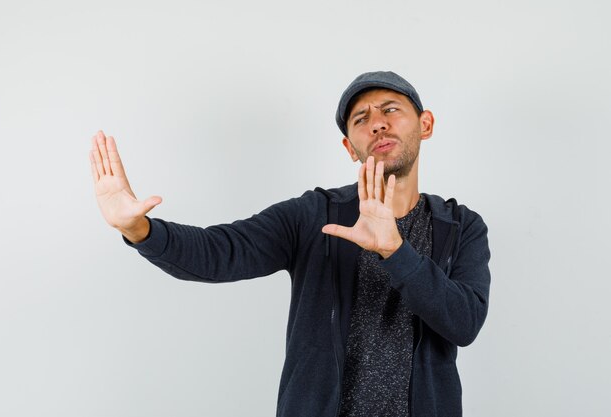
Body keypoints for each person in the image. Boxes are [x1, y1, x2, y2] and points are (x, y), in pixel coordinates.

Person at [89, 71, 491, 417]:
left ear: (426, 124)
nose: (378, 124)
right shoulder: (313, 215)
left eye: (390, 110)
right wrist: (140, 229)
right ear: (350, 147)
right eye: (361, 119)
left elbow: (464, 322)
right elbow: (220, 251)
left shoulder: (461, 226)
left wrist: (395, 250)